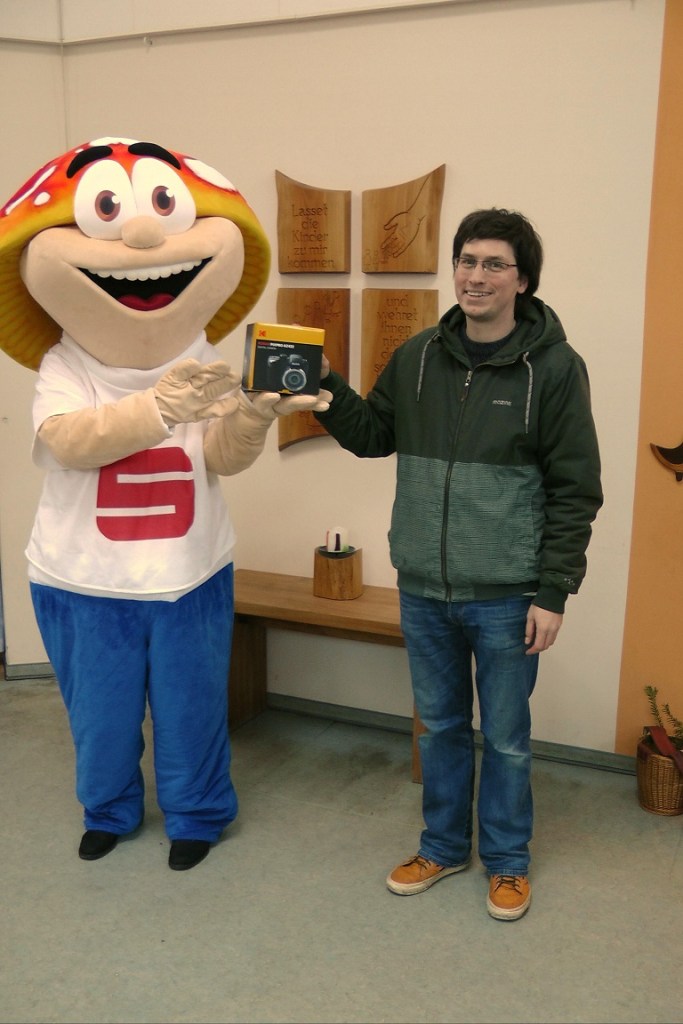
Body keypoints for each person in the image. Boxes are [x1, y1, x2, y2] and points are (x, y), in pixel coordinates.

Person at [0, 136, 331, 871]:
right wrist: (157, 407)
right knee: (100, 716)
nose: (144, 236)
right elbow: (65, 440)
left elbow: (217, 457)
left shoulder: (202, 356)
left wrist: (253, 416)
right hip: (83, 578)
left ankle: (197, 815)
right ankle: (108, 810)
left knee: (192, 708)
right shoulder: (65, 363)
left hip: (188, 572)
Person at [315, 208, 602, 920]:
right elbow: (372, 434)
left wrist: (554, 591)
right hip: (423, 588)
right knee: (439, 729)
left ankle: (507, 861)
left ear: (522, 280)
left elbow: (575, 488)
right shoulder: (418, 356)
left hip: (508, 594)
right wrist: (324, 389)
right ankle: (442, 847)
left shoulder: (555, 369)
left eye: (494, 264)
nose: (476, 276)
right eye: (467, 261)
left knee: (504, 738)